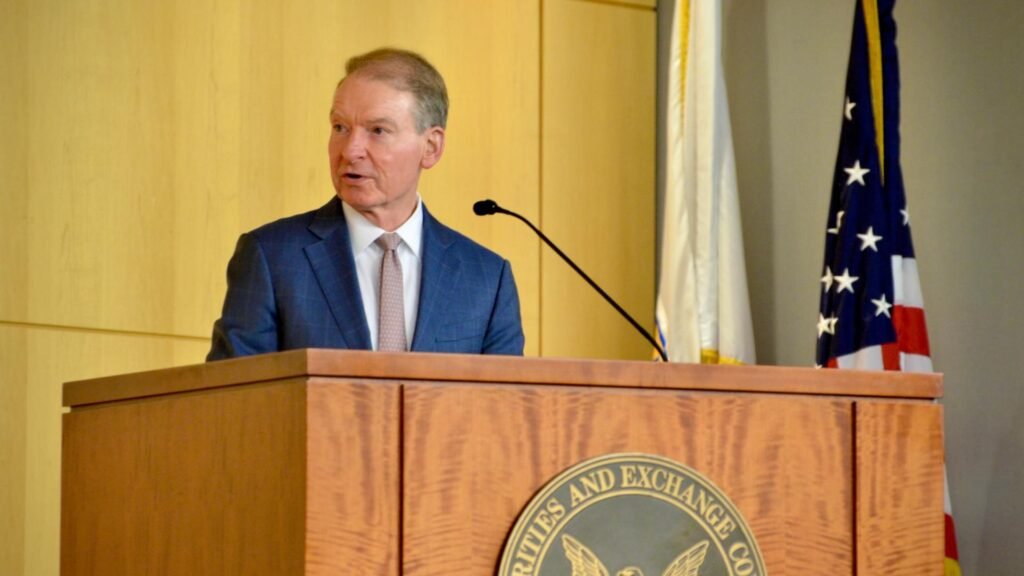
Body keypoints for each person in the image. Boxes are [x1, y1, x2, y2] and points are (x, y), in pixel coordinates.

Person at [207, 48, 524, 360]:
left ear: (431, 147)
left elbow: (506, 394)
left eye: (378, 131)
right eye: (340, 128)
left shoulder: (486, 279)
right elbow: (234, 390)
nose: (350, 150)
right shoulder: (272, 257)